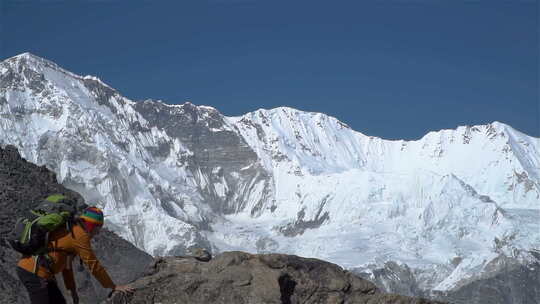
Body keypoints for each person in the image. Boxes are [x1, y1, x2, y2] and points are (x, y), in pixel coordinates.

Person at [16, 206, 133, 304]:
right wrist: (113, 287)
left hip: (41, 274)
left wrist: (72, 291)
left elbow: (66, 266)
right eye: (98, 229)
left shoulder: (72, 230)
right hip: (34, 272)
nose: (97, 233)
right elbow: (93, 265)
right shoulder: (80, 235)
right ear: (92, 226)